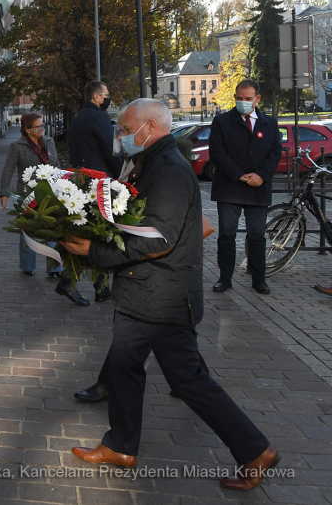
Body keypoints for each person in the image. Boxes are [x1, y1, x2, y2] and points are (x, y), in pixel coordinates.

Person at [61, 99, 278, 491]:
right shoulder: (151, 163)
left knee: (190, 379)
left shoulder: (170, 170)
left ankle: (255, 450)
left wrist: (94, 253)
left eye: (125, 129)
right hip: (143, 294)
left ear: (149, 127)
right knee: (125, 370)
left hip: (163, 297)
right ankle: (120, 446)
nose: (121, 136)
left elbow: (158, 238)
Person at [208, 80, 282, 295]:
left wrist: (262, 175)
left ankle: (259, 279)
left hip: (258, 187)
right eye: (239, 98)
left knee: (257, 235)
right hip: (230, 187)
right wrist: (240, 175)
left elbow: (275, 151)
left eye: (248, 99)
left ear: (257, 99)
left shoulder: (269, 123)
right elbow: (217, 153)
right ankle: (225, 278)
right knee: (226, 234)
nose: (243, 102)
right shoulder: (222, 121)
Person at [67, 80, 123, 303]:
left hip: (81, 181)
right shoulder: (98, 117)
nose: (108, 98)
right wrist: (121, 177)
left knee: (89, 232)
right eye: (106, 94)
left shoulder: (78, 118)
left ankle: (72, 281)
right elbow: (112, 151)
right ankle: (100, 288)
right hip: (100, 182)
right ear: (96, 97)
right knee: (102, 233)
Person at [0, 113, 64, 282]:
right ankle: (28, 265)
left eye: (42, 126)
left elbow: (56, 165)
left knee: (53, 229)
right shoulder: (17, 146)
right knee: (28, 230)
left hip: (50, 193)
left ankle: (55, 267)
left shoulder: (49, 142)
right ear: (28, 130)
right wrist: (4, 192)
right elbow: (8, 169)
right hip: (27, 195)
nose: (42, 129)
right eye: (37, 127)